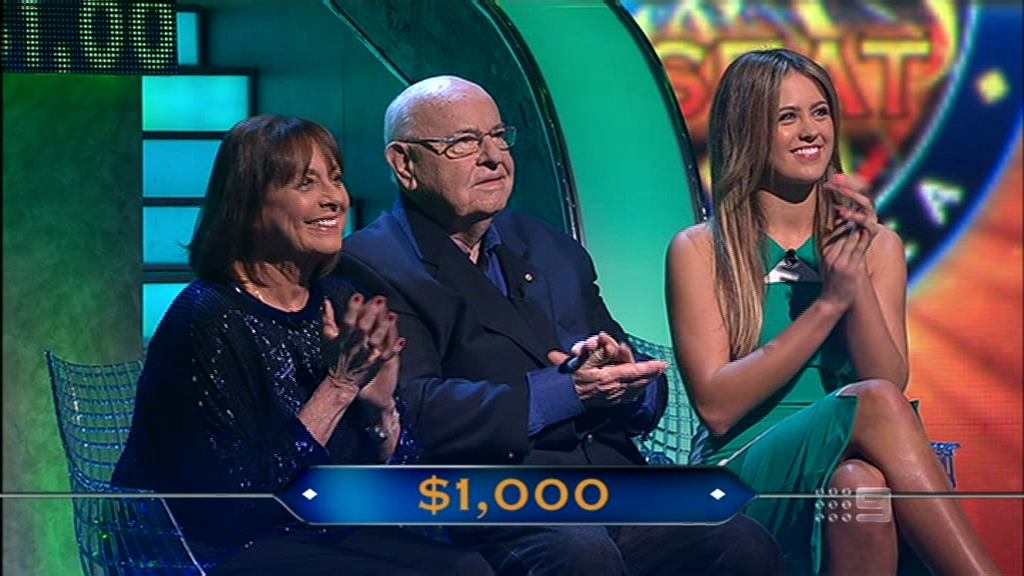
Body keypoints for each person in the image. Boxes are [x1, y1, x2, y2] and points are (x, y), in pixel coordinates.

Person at [335, 75, 783, 576]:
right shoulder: (372, 264)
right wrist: (567, 391)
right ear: (404, 163)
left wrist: (627, 382)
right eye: (464, 142)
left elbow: (632, 376)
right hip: (486, 491)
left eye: (498, 136)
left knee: (737, 539)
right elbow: (412, 407)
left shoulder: (551, 248)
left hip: (610, 483)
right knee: (581, 555)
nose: (494, 157)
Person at [666, 48, 1001, 575]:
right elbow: (717, 406)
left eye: (820, 112)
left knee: (861, 486)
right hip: (739, 476)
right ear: (747, 131)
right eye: (787, 117)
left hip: (850, 460)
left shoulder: (880, 246)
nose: (811, 132)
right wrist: (828, 305)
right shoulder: (700, 250)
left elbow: (888, 378)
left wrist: (854, 276)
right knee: (872, 403)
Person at [113, 115, 493, 575]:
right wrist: (339, 386)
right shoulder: (207, 318)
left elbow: (394, 493)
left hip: (317, 528)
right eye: (306, 183)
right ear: (250, 205)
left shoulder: (339, 301)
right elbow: (240, 503)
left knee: (467, 566)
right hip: (207, 545)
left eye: (336, 178)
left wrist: (382, 411)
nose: (334, 198)